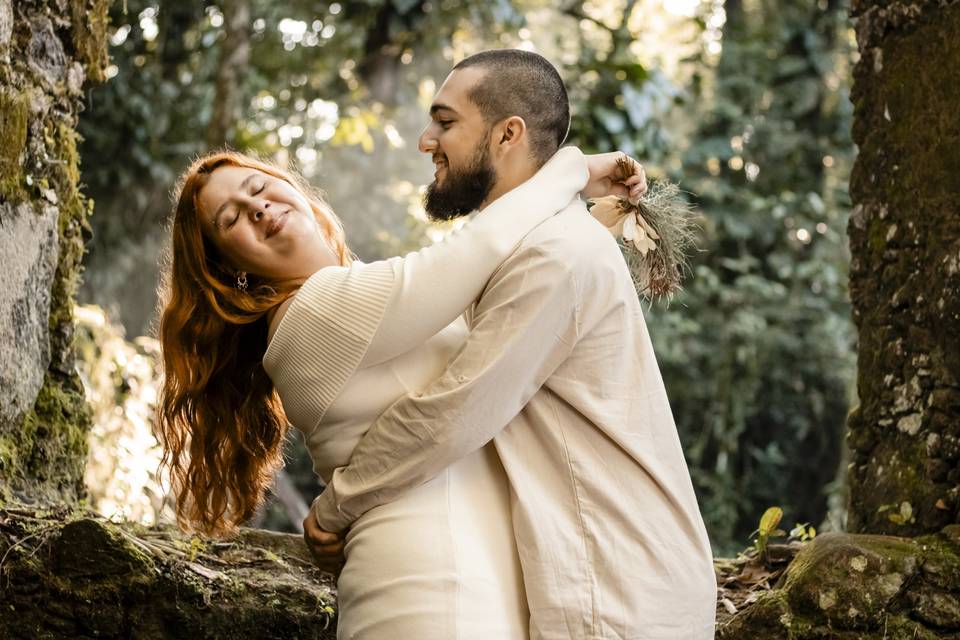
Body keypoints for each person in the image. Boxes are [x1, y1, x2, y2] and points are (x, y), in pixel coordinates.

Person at [156, 89, 645, 638]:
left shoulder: (366, 301)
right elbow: (476, 252)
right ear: (233, 270)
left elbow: (508, 305)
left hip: (471, 586)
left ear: (292, 188)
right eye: (232, 219)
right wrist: (570, 171)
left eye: (259, 187)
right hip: (426, 592)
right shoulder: (311, 314)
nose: (258, 208)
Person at [304, 49, 717, 639]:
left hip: (620, 589)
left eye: (446, 122)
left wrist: (335, 505)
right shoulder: (543, 243)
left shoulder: (554, 256)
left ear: (508, 134)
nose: (427, 140)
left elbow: (452, 412)